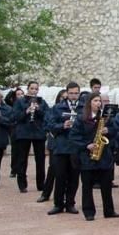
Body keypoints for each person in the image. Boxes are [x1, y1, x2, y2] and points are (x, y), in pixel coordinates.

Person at [68, 92, 119, 220]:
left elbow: (115, 131)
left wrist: (109, 131)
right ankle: (89, 212)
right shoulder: (81, 118)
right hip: (87, 156)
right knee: (87, 186)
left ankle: (109, 210)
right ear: (89, 102)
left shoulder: (105, 118)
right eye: (95, 101)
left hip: (104, 155)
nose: (98, 103)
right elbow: (73, 137)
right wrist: (87, 145)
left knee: (106, 185)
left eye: (99, 101)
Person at [47, 82, 83, 215]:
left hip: (76, 147)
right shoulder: (58, 107)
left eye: (76, 93)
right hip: (61, 146)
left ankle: (70, 203)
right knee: (60, 176)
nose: (74, 96)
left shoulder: (83, 107)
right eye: (71, 93)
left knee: (74, 177)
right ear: (67, 93)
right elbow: (50, 125)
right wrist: (63, 125)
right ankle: (58, 204)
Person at [11, 81, 49, 194]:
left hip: (38, 133)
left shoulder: (42, 102)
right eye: (32, 88)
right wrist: (26, 111)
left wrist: (38, 110)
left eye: (36, 89)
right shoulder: (20, 101)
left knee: (40, 160)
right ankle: (22, 184)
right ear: (28, 89)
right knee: (22, 159)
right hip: (23, 133)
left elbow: (47, 116)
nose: (34, 91)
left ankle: (41, 184)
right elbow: (15, 117)